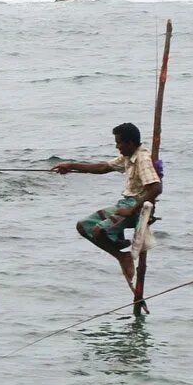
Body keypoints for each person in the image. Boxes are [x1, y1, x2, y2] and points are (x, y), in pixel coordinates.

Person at [53, 123, 162, 286]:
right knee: (83, 226)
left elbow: (156, 187)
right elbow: (104, 167)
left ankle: (120, 248)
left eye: (119, 143)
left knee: (99, 231)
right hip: (125, 203)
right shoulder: (128, 156)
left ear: (130, 143)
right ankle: (121, 255)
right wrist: (71, 165)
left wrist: (132, 209)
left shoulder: (142, 159)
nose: (117, 147)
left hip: (136, 208)